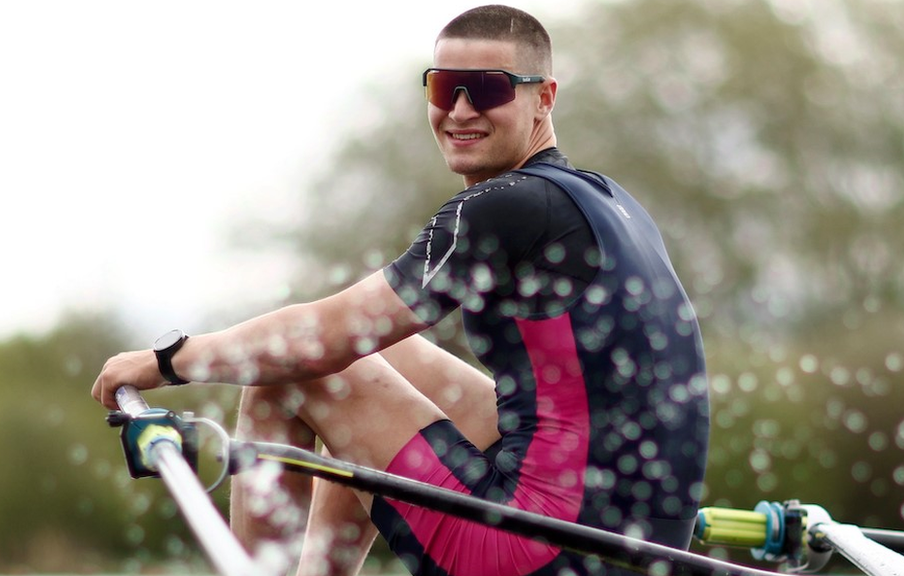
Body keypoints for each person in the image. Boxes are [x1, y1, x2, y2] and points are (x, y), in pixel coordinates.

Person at [91, 5, 710, 576]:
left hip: (539, 553)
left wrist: (169, 361)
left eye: (489, 89)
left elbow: (324, 338)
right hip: (631, 550)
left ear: (543, 98)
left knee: (294, 371)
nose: (461, 111)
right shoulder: (607, 200)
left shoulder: (505, 208)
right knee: (379, 359)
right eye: (444, 88)